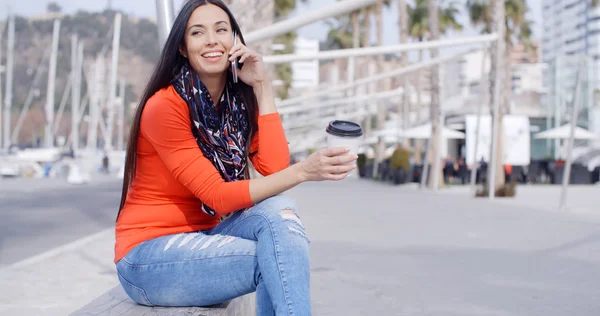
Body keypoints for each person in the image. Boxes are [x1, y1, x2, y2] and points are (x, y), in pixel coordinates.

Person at [114, 1, 357, 315]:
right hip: (147, 258)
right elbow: (218, 196)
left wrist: (262, 86)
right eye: (198, 32)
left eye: (221, 29)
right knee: (279, 257)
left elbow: (273, 169)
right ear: (184, 49)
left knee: (281, 211)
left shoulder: (236, 105)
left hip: (204, 236)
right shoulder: (164, 107)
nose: (212, 40)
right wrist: (305, 171)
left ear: (235, 41)